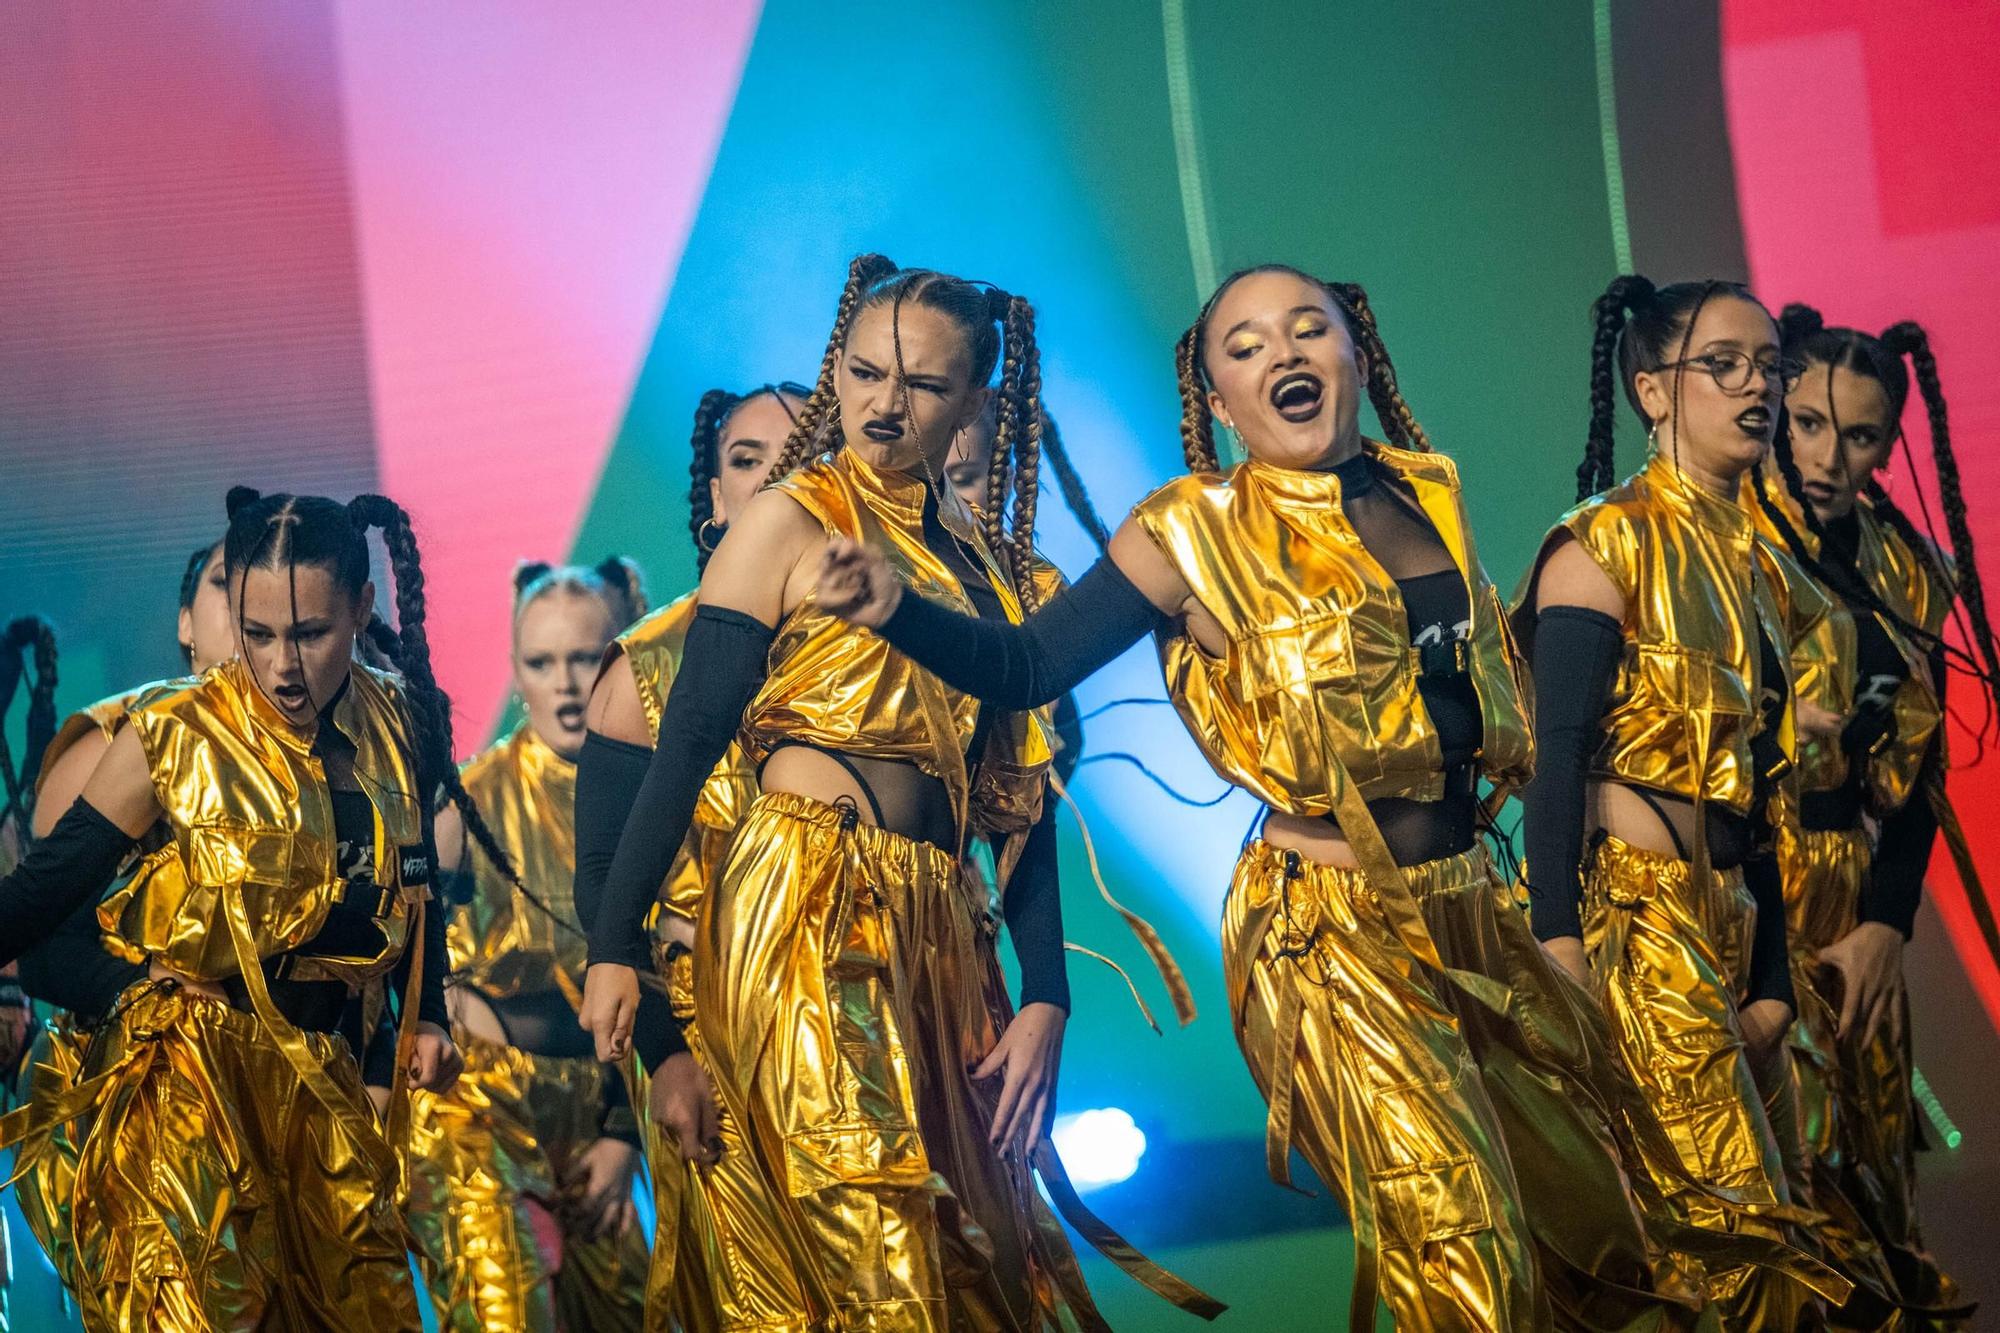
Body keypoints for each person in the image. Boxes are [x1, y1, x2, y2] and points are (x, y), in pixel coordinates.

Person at [819, 265, 1563, 1329]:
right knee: (1460, 1243)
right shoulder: (1189, 531)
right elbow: (1028, 667)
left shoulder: (1424, 492)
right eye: (1246, 346)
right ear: (1216, 400)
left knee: (1577, 1236)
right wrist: (897, 610)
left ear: (1355, 351)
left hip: (1473, 909)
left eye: (1307, 331)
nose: (1283, 355)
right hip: (1337, 933)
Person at [579, 257, 1218, 1330]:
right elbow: (690, 733)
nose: (883, 402)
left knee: (968, 1256)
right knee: (871, 1219)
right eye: (863, 371)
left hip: (938, 924)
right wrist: (613, 942)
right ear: (835, 370)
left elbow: (1020, 806)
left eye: (920, 384)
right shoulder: (788, 522)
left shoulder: (999, 576)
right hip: (806, 898)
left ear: (975, 401)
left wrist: (1047, 992)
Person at [0, 489, 473, 1329]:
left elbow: (417, 885)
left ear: (363, 609)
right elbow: (42, 900)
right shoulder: (174, 735)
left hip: (320, 1086)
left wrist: (427, 1012)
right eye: (257, 634)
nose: (281, 664)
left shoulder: (404, 716)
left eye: (309, 634)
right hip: (188, 1079)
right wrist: (132, 979)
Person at [1515, 276, 1851, 1326]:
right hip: (1635, 917)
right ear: (1653, 392)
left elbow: (1758, 785)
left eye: (1768, 365)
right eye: (1724, 364)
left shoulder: (1761, 563)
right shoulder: (1601, 542)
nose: (1756, 385)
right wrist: (1556, 940)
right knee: (1732, 1239)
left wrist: (1771, 978)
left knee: (1791, 1222)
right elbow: (1554, 758)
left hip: (1731, 924)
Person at [1748, 304, 1984, 1320]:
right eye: (1805, 422)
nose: (1826, 455)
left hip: (1851, 889)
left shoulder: (1902, 565)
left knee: (1876, 1175)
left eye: (1856, 435)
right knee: (1776, 1186)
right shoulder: (1714, 537)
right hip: (1734, 887)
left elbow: (1920, 765)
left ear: (1889, 442)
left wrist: (1887, 923)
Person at [574, 380, 809, 1329]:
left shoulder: (874, 646)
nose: (766, 484)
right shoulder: (648, 664)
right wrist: (665, 1058)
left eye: (791, 462)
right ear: (714, 497)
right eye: (744, 462)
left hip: (861, 1009)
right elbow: (604, 885)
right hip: (710, 1036)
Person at [406, 557, 655, 1331]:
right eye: (542, 663)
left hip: (601, 1109)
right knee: (503, 1313)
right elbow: (399, 946)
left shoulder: (661, 796)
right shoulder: (470, 800)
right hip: (478, 1105)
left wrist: (623, 1136)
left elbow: (682, 977)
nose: (566, 682)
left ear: (620, 659)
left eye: (585, 658)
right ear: (517, 677)